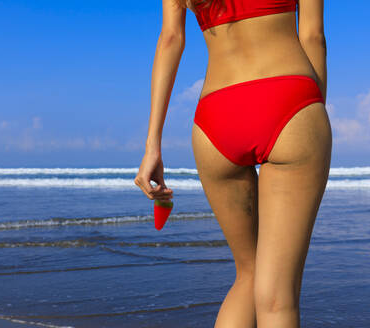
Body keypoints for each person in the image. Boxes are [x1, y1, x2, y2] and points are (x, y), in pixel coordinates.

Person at [134, 0, 331, 327]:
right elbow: (313, 36)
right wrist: (312, 111)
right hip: (289, 99)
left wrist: (152, 144)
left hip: (216, 117)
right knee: (277, 297)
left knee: (248, 274)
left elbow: (170, 39)